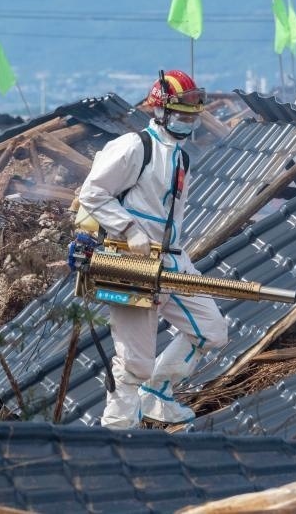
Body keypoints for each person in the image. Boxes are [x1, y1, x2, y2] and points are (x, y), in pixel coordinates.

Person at [77, 69, 228, 428]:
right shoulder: (134, 147)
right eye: (181, 115)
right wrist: (129, 228)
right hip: (132, 261)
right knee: (135, 362)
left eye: (192, 116)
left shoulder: (181, 157)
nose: (188, 122)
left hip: (172, 259)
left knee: (211, 330)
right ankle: (118, 430)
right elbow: (92, 193)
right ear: (160, 111)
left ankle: (158, 395)